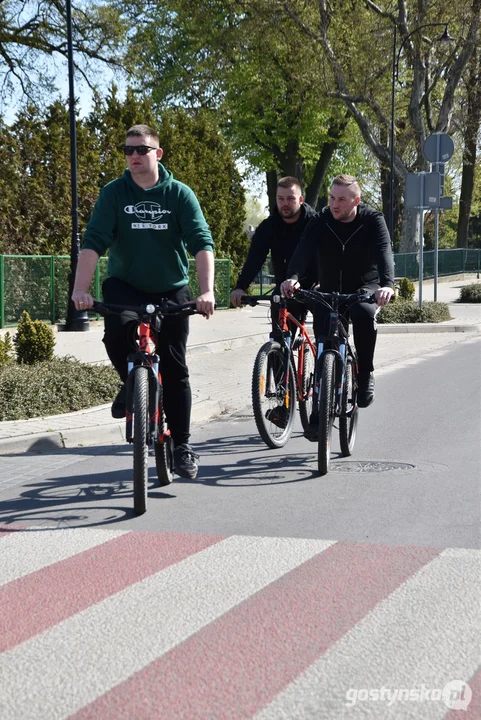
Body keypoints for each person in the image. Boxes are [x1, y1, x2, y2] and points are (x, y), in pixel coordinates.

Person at [71, 124, 215, 480]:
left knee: (177, 368)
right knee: (115, 335)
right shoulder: (114, 193)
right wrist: (80, 290)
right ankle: (131, 383)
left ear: (157, 154)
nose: (134, 155)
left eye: (142, 149)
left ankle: (182, 445)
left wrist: (207, 291)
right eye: (128, 150)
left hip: (171, 288)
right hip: (126, 286)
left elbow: (201, 242)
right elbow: (93, 242)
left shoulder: (179, 195)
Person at [281, 174, 394, 423]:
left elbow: (384, 251)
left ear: (356, 200)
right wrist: (294, 277)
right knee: (325, 344)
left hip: (365, 286)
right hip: (330, 288)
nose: (334, 204)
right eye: (332, 197)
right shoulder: (322, 220)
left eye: (342, 199)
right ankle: (318, 413)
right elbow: (304, 249)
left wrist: (387, 285)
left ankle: (365, 373)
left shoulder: (372, 220)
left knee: (364, 314)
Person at [230, 176, 316, 339]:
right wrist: (241, 286)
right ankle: (278, 358)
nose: (285, 203)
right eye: (280, 198)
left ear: (301, 199)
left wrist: (322, 283)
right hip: (285, 287)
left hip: (314, 285)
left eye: (290, 199)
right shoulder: (269, 226)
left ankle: (325, 360)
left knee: (325, 331)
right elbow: (255, 258)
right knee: (279, 335)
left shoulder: (314, 222)